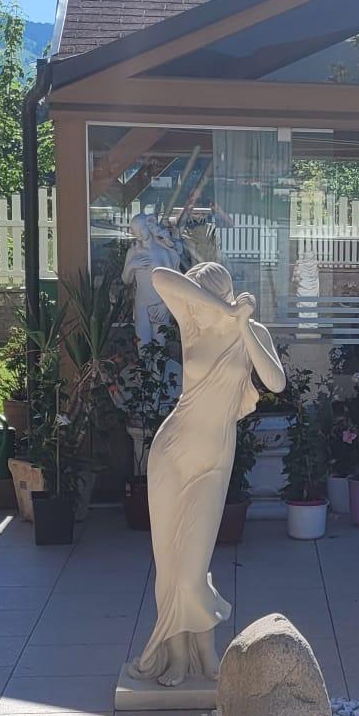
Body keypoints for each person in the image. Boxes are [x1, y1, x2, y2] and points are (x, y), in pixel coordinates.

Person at [131, 262, 286, 687]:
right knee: (168, 567)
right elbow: (161, 277)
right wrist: (221, 310)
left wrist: (242, 324)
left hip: (213, 461)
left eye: (203, 295)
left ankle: (206, 650)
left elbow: (275, 382)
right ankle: (180, 656)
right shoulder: (193, 323)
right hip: (171, 453)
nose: (195, 304)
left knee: (191, 569)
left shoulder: (251, 331)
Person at [120, 213, 179, 346]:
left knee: (160, 346)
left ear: (149, 226)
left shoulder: (162, 252)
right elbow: (126, 280)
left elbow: (174, 282)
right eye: (136, 232)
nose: (139, 235)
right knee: (143, 345)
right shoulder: (133, 252)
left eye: (141, 229)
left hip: (159, 304)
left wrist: (165, 306)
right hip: (141, 305)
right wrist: (131, 266)